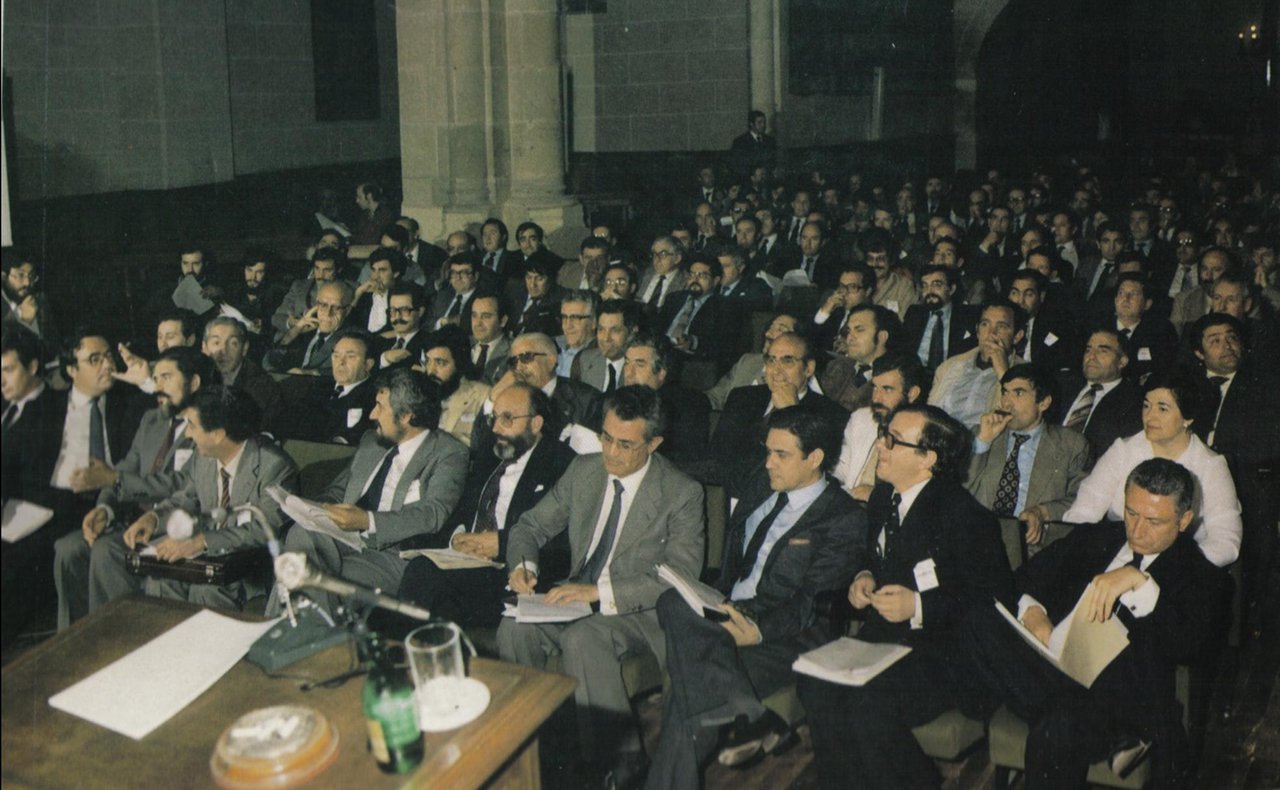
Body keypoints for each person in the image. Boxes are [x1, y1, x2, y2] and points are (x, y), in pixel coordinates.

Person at [965, 459, 1230, 788]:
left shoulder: (1202, 576)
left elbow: (1191, 644)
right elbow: (1025, 578)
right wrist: (1034, 611)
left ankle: (1057, 707)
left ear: (1184, 520)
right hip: (1055, 666)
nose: (1137, 530)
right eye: (1131, 513)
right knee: (977, 617)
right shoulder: (1097, 537)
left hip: (1118, 700)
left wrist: (1140, 583)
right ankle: (1072, 711)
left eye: (1154, 521)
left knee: (1057, 727)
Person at [645, 408, 865, 789]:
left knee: (690, 688)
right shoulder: (762, 485)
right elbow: (709, 468)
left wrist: (757, 631)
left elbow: (808, 603)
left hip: (787, 635)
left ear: (815, 458)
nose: (768, 463)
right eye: (768, 451)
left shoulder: (843, 517)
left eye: (781, 455)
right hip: (728, 610)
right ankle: (753, 716)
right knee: (670, 602)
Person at [797, 404, 1014, 790]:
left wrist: (919, 606)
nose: (881, 445)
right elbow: (872, 556)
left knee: (866, 701)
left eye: (893, 440)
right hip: (883, 643)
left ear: (927, 459)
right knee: (815, 682)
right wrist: (863, 575)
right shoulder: (884, 496)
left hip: (944, 654)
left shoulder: (965, 517)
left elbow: (993, 603)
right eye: (885, 435)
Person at [497, 386, 705, 785]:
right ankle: (537, 742)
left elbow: (681, 574)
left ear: (654, 444)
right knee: (514, 628)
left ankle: (620, 762)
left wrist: (598, 594)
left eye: (625, 445)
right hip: (577, 595)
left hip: (639, 610)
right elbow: (530, 526)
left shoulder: (681, 492)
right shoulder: (584, 470)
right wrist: (523, 565)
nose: (611, 452)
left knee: (584, 638)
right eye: (606, 438)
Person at [273, 369, 468, 613]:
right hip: (346, 537)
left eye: (380, 407)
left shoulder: (449, 453)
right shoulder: (372, 441)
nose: (372, 414)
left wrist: (367, 520)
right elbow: (339, 490)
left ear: (407, 415)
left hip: (394, 554)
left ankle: (278, 629)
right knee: (301, 534)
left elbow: (433, 512)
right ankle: (295, 632)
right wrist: (315, 511)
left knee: (308, 579)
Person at [52, 347, 211, 628]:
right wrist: (105, 509)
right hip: (130, 521)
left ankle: (114, 639)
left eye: (166, 377)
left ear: (194, 383)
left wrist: (114, 480)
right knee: (69, 549)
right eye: (155, 378)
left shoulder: (206, 427)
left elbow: (182, 485)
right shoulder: (152, 419)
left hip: (169, 524)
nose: (157, 387)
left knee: (107, 551)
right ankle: (73, 638)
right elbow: (126, 467)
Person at [398, 383, 576, 627]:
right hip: (464, 560)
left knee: (425, 579)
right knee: (419, 578)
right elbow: (462, 508)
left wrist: (502, 544)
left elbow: (564, 545)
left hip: (510, 571)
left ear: (536, 424)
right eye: (494, 418)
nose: (496, 428)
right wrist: (458, 537)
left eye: (507, 419)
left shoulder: (563, 464)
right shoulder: (491, 451)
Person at [111, 386, 298, 610]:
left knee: (206, 589)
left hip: (252, 572)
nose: (187, 434)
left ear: (218, 434)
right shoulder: (203, 459)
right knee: (160, 581)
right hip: (207, 561)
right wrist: (153, 519)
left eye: (192, 425)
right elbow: (185, 500)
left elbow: (265, 529)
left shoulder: (275, 467)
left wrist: (202, 541)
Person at [1062, 370, 1241, 568]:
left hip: (1180, 565)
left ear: (1188, 418)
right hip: (1118, 555)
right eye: (1146, 405)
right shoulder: (1123, 450)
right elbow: (1083, 512)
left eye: (1162, 409)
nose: (1150, 416)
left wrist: (1170, 569)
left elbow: (1227, 541)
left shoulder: (1211, 465)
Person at [708, 332, 848, 496]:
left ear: (809, 368)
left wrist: (791, 413)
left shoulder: (831, 414)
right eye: (771, 360)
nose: (776, 370)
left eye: (787, 361)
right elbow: (718, 458)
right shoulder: (742, 397)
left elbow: (812, 472)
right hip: (730, 495)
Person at [967, 364, 1091, 548]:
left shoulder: (1071, 445)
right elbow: (957, 490)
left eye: (1018, 393)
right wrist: (983, 442)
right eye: (1005, 392)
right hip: (977, 540)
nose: (1006, 403)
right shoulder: (981, 434)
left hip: (1031, 547)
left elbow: (1083, 500)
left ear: (1043, 403)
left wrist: (1042, 512)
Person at [0, 328, 64, 647]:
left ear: (34, 367)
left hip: (38, 520)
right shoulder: (6, 408)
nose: (1, 380)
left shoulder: (57, 410)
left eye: (8, 369)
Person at [832, 351, 927, 500]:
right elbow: (841, 469)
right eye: (875, 387)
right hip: (849, 502)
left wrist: (877, 497)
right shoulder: (862, 418)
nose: (876, 398)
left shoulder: (925, 433)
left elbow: (918, 494)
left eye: (887, 389)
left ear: (912, 393)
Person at [928, 299, 1027, 428]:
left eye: (1001, 326)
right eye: (985, 324)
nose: (991, 333)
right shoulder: (949, 367)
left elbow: (1019, 420)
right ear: (977, 331)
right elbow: (930, 414)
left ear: (1017, 336)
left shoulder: (1026, 375)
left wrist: (1004, 374)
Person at [621, 332, 711, 471]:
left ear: (661, 373)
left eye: (639, 364)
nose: (628, 373)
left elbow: (687, 462)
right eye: (627, 363)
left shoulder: (688, 405)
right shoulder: (616, 400)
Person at [1057, 327, 1143, 458]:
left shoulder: (1133, 402)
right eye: (1088, 350)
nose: (1091, 356)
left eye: (1103, 351)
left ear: (1122, 361)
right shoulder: (1062, 385)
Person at [202, 317, 283, 431]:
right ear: (204, 348)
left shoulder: (262, 387)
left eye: (232, 343)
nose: (223, 351)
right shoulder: (199, 379)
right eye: (216, 343)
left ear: (244, 348)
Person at [818, 304, 901, 412]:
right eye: (849, 331)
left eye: (859, 330)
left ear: (882, 337)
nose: (849, 338)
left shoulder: (895, 381)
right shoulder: (836, 366)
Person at [263, 280, 354, 375]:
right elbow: (268, 363)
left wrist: (309, 373)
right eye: (323, 305)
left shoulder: (353, 338)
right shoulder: (305, 329)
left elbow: (347, 371)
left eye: (336, 307)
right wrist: (295, 330)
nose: (327, 313)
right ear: (316, 305)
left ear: (347, 310)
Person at [421, 326, 490, 448]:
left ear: (459, 363)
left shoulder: (482, 396)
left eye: (440, 363)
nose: (431, 371)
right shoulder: (419, 393)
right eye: (428, 361)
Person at [903, 265, 980, 370]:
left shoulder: (968, 315)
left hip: (951, 374)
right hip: (916, 372)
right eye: (925, 286)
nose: (929, 291)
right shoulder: (914, 313)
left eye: (936, 285)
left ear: (951, 289)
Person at [271, 247, 345, 341]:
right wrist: (293, 323)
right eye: (317, 268)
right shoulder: (299, 286)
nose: (320, 275)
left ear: (339, 270)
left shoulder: (347, 289)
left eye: (327, 270)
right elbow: (276, 318)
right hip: (292, 340)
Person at [573, 299, 641, 394]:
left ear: (632, 332)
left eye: (615, 330)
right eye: (601, 329)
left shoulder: (640, 368)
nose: (606, 338)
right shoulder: (585, 360)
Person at [376, 282, 430, 370]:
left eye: (404, 310)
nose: (397, 317)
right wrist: (385, 360)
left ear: (420, 311)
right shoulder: (380, 342)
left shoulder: (429, 344)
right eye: (392, 310)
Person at [469, 292, 511, 384]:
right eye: (474, 316)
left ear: (503, 321)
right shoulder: (462, 344)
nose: (478, 323)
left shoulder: (513, 352)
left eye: (486, 317)